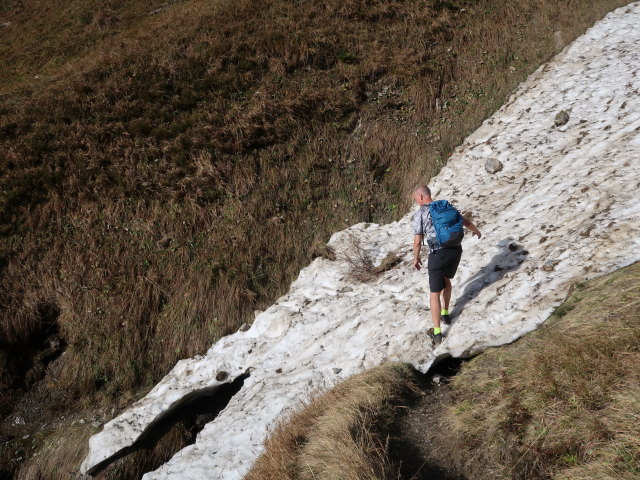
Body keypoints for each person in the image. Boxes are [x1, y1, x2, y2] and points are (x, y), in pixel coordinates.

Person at [412, 185, 481, 345]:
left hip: (438, 254)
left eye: (416, 198)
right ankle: (445, 312)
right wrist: (476, 231)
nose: (416, 201)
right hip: (455, 250)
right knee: (446, 280)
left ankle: (437, 332)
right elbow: (465, 222)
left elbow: (417, 242)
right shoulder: (445, 206)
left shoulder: (421, 213)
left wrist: (416, 258)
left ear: (421, 196)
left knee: (434, 293)